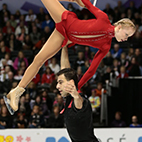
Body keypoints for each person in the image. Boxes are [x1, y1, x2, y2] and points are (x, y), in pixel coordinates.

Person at [4, 0, 135, 114]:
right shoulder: (104, 18)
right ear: (119, 27)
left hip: (65, 36)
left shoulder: (106, 46)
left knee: (39, 60)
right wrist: (76, 1)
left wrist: (77, 87)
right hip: (65, 19)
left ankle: (16, 92)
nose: (126, 38)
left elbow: (91, 70)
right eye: (127, 34)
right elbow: (88, 3)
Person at [56, 46, 99, 142]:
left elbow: (79, 103)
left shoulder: (80, 100)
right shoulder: (68, 97)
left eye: (60, 82)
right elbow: (65, 69)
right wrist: (64, 46)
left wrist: (75, 94)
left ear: (70, 83)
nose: (57, 86)